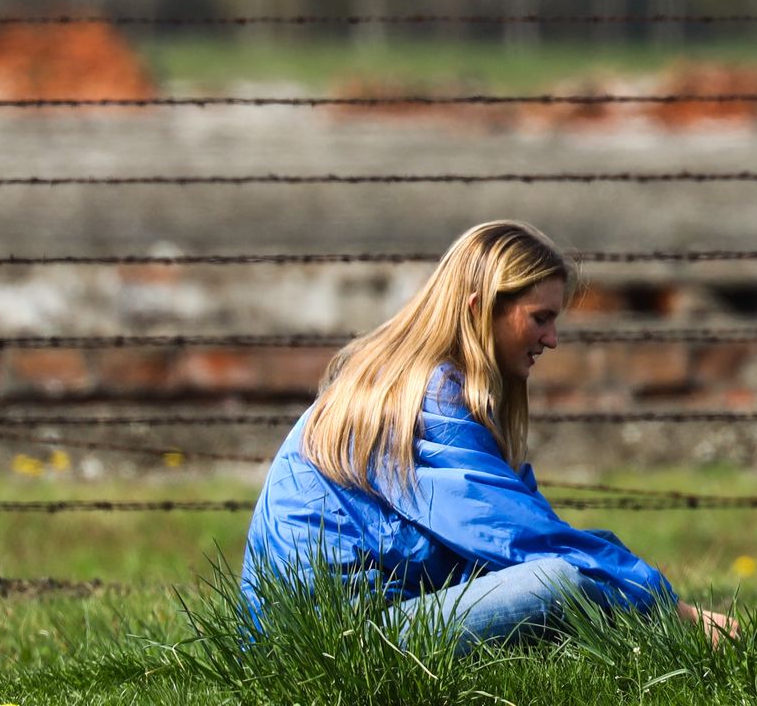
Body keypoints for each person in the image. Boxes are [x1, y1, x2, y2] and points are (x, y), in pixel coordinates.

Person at [240, 219, 732, 646]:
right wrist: (676, 613)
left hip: (332, 629)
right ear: (480, 308)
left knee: (583, 566)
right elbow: (520, 539)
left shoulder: (410, 381)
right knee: (561, 580)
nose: (552, 339)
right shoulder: (428, 400)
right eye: (540, 318)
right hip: (347, 640)